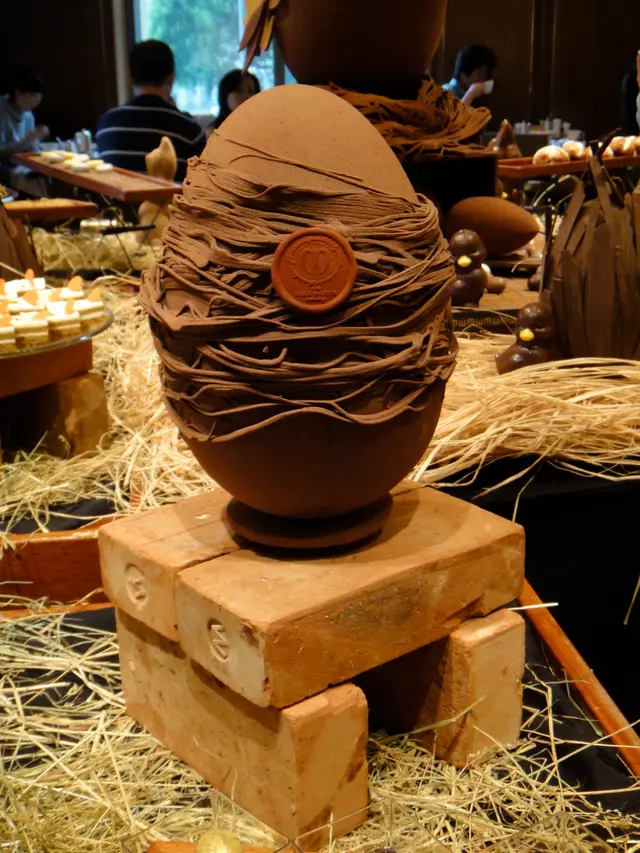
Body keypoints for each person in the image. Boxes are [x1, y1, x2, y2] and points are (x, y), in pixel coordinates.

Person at [96, 40, 206, 182]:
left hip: (117, 197)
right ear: (171, 77)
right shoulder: (192, 132)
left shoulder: (106, 125)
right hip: (171, 197)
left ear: (129, 77)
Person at [0, 71, 48, 161]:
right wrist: (27, 141)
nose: (37, 101)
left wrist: (35, 139)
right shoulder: (2, 111)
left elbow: (30, 149)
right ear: (18, 92)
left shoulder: (28, 114)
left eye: (40, 97)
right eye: (33, 95)